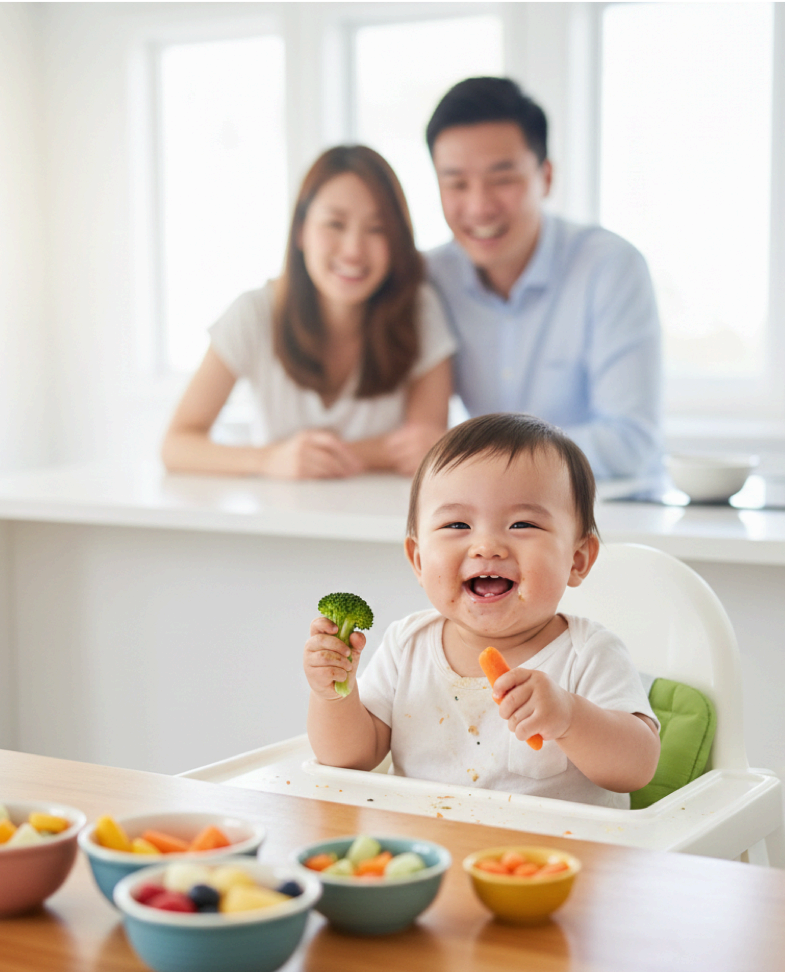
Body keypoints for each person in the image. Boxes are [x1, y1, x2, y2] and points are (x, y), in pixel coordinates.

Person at [303, 413, 660, 808]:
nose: (487, 546)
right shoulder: (407, 646)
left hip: (551, 847)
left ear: (577, 559)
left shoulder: (588, 653)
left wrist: (570, 718)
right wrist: (333, 696)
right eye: (457, 525)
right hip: (425, 840)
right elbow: (350, 759)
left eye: (522, 524)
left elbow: (637, 768)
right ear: (418, 560)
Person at [162, 146, 455, 479]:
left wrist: (312, 456)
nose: (353, 250)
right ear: (301, 230)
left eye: (377, 229)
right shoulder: (255, 313)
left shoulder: (419, 309)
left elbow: (421, 449)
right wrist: (270, 459)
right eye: (335, 224)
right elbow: (176, 445)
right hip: (281, 508)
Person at [424, 77, 663, 480]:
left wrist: (480, 455)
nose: (479, 207)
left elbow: (629, 444)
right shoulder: (430, 277)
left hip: (605, 504)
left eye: (503, 179)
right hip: (494, 510)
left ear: (546, 177)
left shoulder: (609, 267)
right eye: (456, 184)